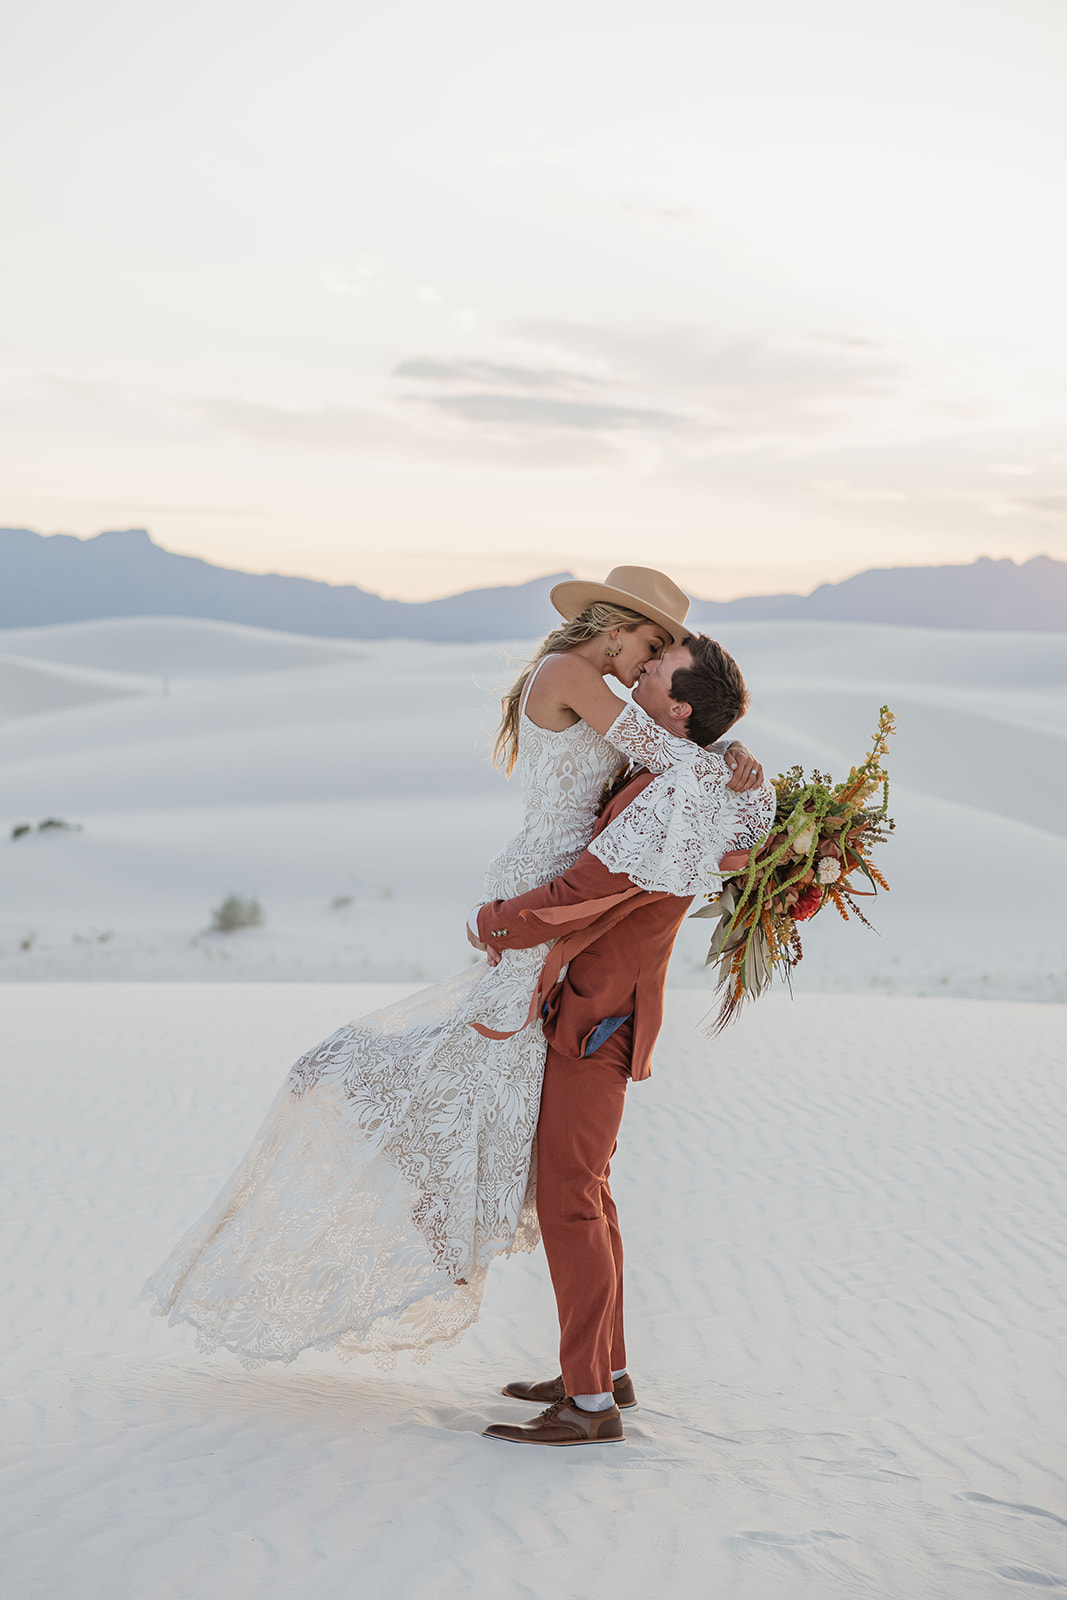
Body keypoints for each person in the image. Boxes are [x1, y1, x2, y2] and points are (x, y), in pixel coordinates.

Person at [144, 568, 771, 1372]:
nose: (643, 667)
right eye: (648, 647)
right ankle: (450, 1226)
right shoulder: (574, 675)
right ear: (617, 627)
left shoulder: (612, 705)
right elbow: (667, 754)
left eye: (658, 659)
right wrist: (722, 753)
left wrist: (722, 750)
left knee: (525, 1130)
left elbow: (663, 778)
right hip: (538, 915)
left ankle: (548, 1331)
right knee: (484, 1098)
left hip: (554, 931)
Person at [472, 629, 771, 1446]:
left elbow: (586, 892)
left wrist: (493, 925)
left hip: (598, 1020)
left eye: (655, 672)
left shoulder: (672, 796)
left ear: (677, 709)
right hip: (603, 1012)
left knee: (571, 1200)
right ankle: (602, 1372)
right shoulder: (678, 774)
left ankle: (589, 1407)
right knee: (588, 1195)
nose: (636, 675)